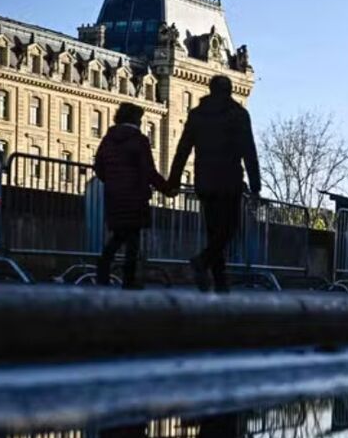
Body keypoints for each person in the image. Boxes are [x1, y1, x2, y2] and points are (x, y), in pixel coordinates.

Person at [168, 75, 261, 293]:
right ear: (229, 91)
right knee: (229, 229)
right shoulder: (238, 115)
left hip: (205, 180)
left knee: (213, 231)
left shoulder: (197, 115)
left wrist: (174, 180)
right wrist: (255, 185)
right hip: (229, 180)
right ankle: (203, 262)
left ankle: (219, 282)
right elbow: (249, 150)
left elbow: (183, 149)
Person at [94, 103, 172, 289]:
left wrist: (112, 181)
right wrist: (167, 189)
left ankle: (103, 271)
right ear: (136, 119)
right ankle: (128, 280)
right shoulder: (139, 140)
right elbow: (149, 170)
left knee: (119, 235)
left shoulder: (108, 139)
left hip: (114, 195)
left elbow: (99, 167)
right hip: (135, 195)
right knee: (132, 240)